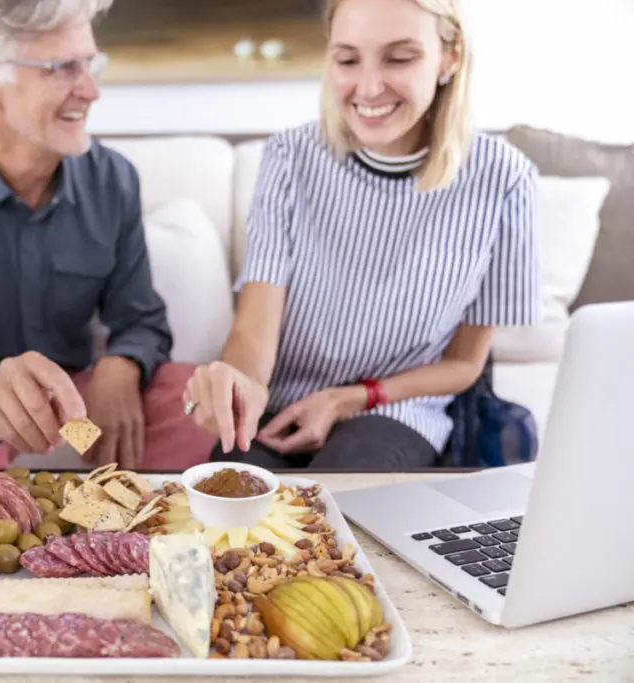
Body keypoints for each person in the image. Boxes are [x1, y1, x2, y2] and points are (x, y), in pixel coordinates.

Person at [183, 0, 541, 471]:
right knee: (224, 499)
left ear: (450, 58)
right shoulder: (289, 159)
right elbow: (254, 331)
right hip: (280, 406)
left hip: (396, 409)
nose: (369, 87)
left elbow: (464, 366)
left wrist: (351, 398)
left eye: (400, 57)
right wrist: (239, 384)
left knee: (343, 505)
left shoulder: (506, 179)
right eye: (348, 59)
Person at [0, 0, 216, 471]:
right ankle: (30, 519)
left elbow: (140, 320)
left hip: (77, 413)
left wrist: (120, 369)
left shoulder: (112, 180)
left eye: (90, 64)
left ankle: (103, 515)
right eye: (61, 68)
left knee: (197, 403)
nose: (90, 90)